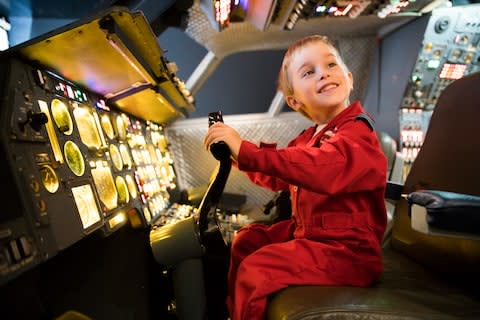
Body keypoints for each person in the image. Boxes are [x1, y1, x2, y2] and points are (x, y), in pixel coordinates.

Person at [204, 35, 387, 320]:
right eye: (309, 72)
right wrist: (237, 156)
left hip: (349, 252)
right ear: (294, 100)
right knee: (247, 240)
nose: (323, 73)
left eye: (330, 64)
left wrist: (247, 151)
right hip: (314, 234)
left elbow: (319, 167)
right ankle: (235, 311)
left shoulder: (357, 133)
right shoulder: (311, 136)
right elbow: (279, 173)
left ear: (349, 78)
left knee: (258, 269)